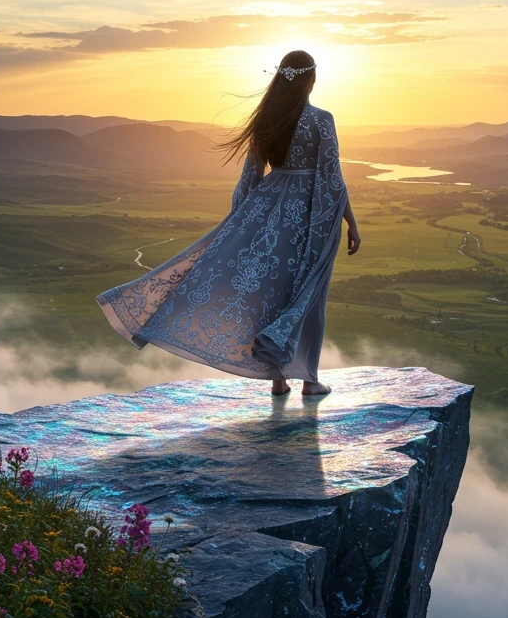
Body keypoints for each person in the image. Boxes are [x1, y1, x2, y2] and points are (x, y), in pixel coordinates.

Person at [96, 49, 361, 396]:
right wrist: (350, 223)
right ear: (311, 79)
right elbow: (332, 179)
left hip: (267, 212)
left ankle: (278, 381)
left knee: (271, 295)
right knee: (308, 293)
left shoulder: (268, 118)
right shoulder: (321, 119)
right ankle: (310, 380)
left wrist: (241, 222)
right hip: (310, 218)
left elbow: (251, 175)